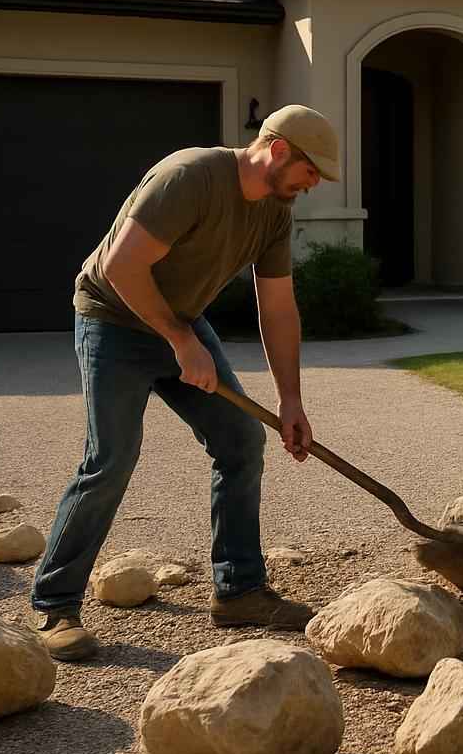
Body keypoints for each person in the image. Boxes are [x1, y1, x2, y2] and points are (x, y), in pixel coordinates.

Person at [29, 104, 339, 662]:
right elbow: (122, 267)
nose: (312, 185)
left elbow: (278, 308)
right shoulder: (189, 177)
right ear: (279, 150)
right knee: (112, 458)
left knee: (242, 440)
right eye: (311, 171)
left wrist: (290, 399)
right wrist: (179, 340)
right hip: (112, 316)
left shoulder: (274, 211)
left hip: (182, 320)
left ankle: (240, 590)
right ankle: (56, 603)